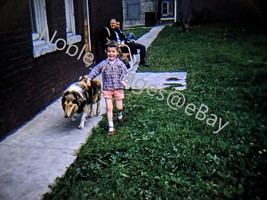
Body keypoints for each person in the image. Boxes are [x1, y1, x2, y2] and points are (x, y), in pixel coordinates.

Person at [85, 41, 128, 135]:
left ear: (117, 52)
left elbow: (125, 72)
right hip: (107, 89)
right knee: (109, 107)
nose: (111, 54)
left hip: (118, 88)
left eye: (113, 52)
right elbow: (95, 70)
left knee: (119, 107)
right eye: (109, 51)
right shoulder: (104, 64)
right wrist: (89, 78)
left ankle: (120, 115)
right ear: (106, 51)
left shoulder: (120, 64)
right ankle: (111, 126)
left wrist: (122, 80)